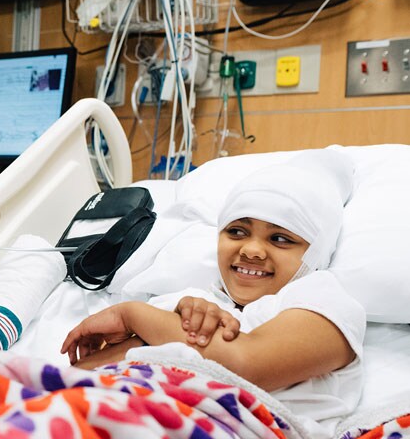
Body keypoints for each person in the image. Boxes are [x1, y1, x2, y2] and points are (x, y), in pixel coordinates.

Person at [61, 150, 366, 437]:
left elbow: (246, 365)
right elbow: (84, 375)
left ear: (316, 252)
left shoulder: (325, 299)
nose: (251, 250)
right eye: (236, 231)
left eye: (280, 238)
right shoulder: (193, 301)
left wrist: (131, 315)